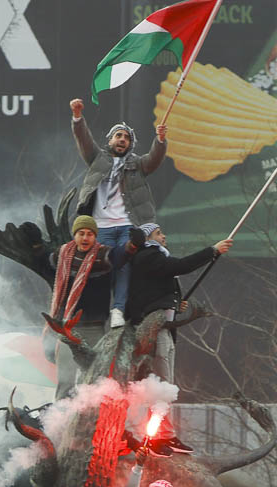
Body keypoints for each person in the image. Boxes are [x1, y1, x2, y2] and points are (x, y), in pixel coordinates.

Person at [68, 99, 168, 328]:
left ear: (130, 144)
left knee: (124, 267)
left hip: (127, 225)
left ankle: (118, 310)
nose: (122, 140)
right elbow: (84, 139)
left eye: (127, 138)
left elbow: (154, 158)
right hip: (99, 228)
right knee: (100, 270)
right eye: (118, 136)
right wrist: (77, 116)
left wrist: (160, 140)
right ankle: (93, 313)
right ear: (110, 140)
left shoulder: (137, 165)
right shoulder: (97, 159)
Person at [124, 223, 231, 376]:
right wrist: (212, 251)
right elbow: (182, 265)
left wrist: (173, 305)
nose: (163, 236)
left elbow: (154, 290)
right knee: (161, 378)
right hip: (154, 329)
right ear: (147, 239)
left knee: (166, 378)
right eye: (158, 233)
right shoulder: (148, 255)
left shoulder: (154, 257)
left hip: (164, 327)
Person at [41, 215, 115, 350]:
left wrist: (131, 247)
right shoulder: (62, 254)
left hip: (94, 326)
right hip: (67, 326)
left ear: (95, 236)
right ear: (75, 235)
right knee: (66, 368)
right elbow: (45, 265)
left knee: (93, 368)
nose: (85, 238)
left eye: (90, 234)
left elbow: (122, 257)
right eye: (81, 234)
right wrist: (36, 246)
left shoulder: (104, 255)